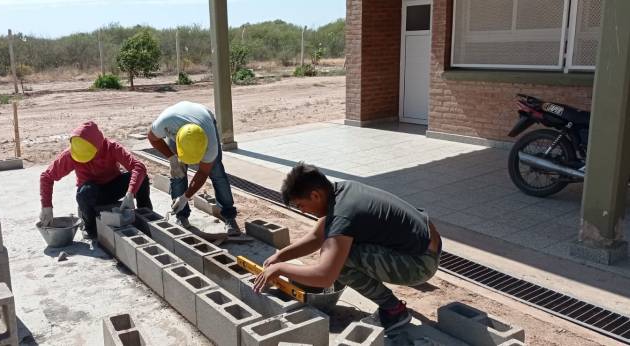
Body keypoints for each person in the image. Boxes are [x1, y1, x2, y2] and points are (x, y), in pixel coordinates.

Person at [254, 163, 442, 331]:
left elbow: (324, 276)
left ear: (315, 195)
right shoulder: (341, 191)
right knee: (334, 248)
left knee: (340, 262)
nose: (302, 211)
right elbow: (316, 237)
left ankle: (394, 310)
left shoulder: (342, 215)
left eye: (301, 205)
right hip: (425, 243)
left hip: (420, 263)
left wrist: (280, 269)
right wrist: (280, 256)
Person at [39, 121, 152, 238]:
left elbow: (139, 166)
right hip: (92, 194)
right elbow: (46, 177)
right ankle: (90, 227)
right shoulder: (71, 154)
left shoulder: (111, 147)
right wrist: (46, 206)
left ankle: (146, 216)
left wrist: (130, 193)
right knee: (84, 192)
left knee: (141, 177)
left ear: (98, 147)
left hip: (113, 187)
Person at [147, 101, 243, 237]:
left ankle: (229, 217)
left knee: (217, 172)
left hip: (203, 121)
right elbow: (152, 138)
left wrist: (185, 197)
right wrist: (172, 158)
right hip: (178, 125)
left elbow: (203, 172)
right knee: (178, 172)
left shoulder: (210, 145)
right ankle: (181, 216)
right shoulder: (164, 123)